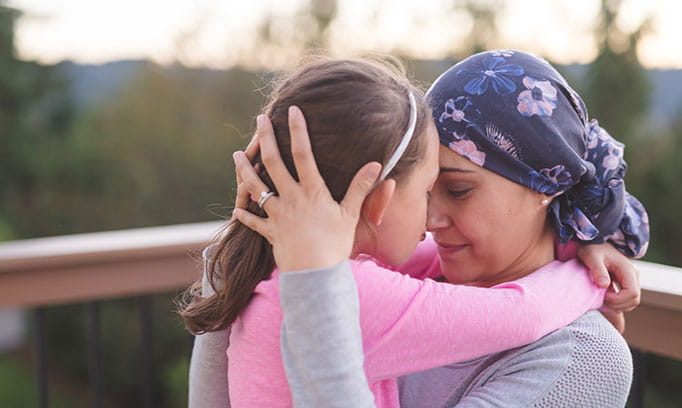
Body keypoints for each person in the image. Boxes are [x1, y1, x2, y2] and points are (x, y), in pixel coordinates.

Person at [180, 56, 644, 408]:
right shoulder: (366, 274)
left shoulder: (583, 358)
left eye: (458, 190)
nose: (429, 218)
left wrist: (583, 244)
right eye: (424, 189)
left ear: (546, 186)